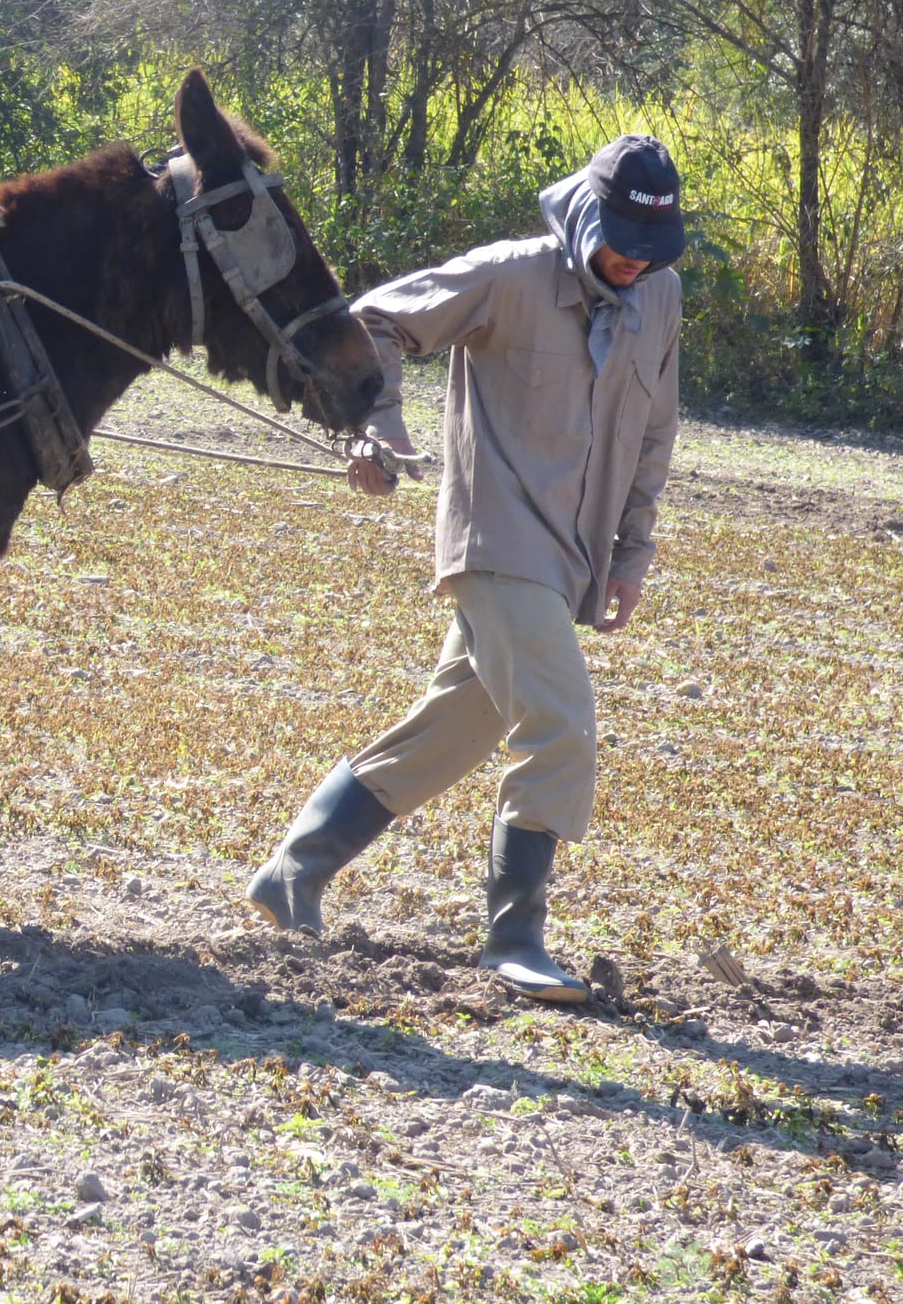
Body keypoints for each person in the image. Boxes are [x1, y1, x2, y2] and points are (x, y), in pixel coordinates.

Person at [246, 134, 686, 1002]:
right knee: (561, 720)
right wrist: (380, 422)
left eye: (653, 247)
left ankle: (294, 870)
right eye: (622, 240)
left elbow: (655, 432)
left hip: (572, 561)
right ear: (586, 216)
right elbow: (373, 320)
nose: (634, 261)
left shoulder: (660, 297)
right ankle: (514, 936)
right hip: (494, 540)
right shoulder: (512, 276)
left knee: (454, 728)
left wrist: (631, 554)